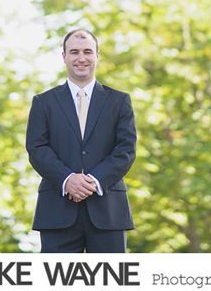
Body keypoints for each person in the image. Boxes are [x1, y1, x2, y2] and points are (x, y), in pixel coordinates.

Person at [25, 28, 137, 253]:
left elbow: (125, 150)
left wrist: (94, 181)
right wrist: (67, 179)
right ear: (64, 56)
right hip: (57, 211)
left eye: (88, 51)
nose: (81, 58)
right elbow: (37, 148)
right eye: (74, 52)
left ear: (97, 55)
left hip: (108, 213)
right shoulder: (43, 102)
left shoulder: (119, 101)